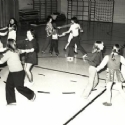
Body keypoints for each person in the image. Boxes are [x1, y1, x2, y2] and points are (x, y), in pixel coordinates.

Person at [0, 39, 36, 105]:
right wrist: (30, 50)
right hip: (13, 72)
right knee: (9, 85)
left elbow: (1, 62)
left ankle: (31, 95)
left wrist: (4, 53)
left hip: (17, 72)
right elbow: (23, 51)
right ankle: (11, 101)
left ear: (8, 45)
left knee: (19, 87)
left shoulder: (9, 53)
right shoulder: (16, 50)